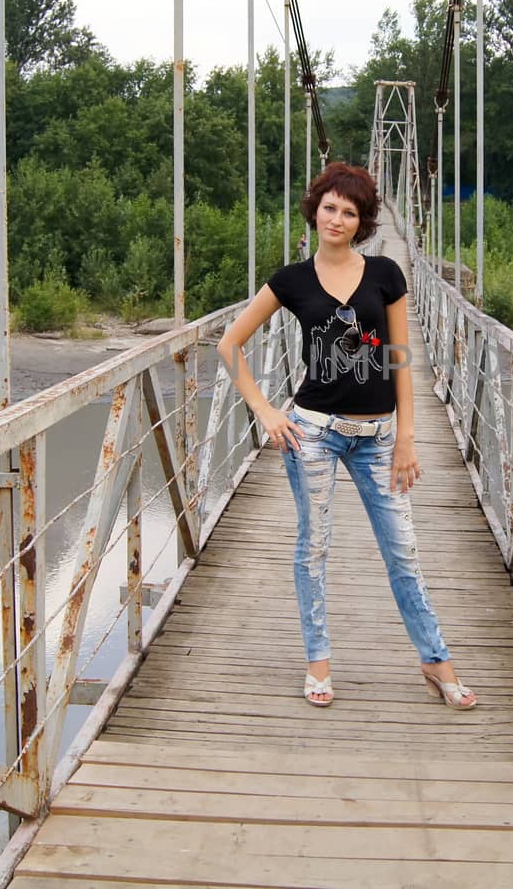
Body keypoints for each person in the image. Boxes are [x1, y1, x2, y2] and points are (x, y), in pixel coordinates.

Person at [216, 161, 476, 711]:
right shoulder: (289, 281)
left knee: (403, 551)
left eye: (350, 212)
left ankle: (434, 658)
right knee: (314, 548)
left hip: (380, 437)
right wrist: (265, 410)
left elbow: (401, 361)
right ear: (315, 210)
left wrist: (408, 436)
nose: (337, 218)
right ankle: (318, 663)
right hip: (312, 432)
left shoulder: (386, 274)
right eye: (329, 207)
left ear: (362, 222)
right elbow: (228, 344)